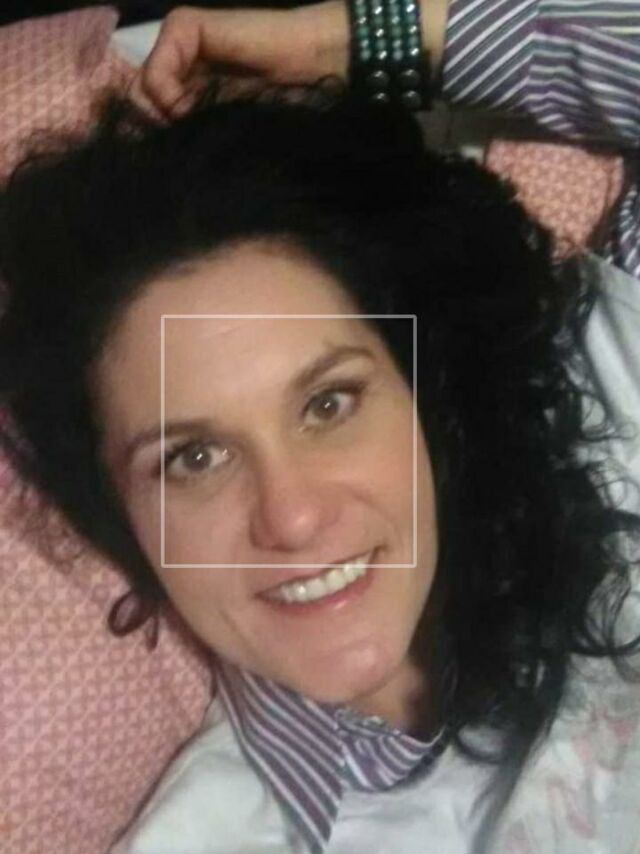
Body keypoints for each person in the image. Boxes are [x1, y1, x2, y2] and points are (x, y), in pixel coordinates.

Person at [0, 4, 639, 854]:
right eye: (195, 457)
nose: (293, 518)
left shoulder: (609, 408)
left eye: (329, 404)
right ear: (121, 516)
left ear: (421, 386)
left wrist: (364, 37)